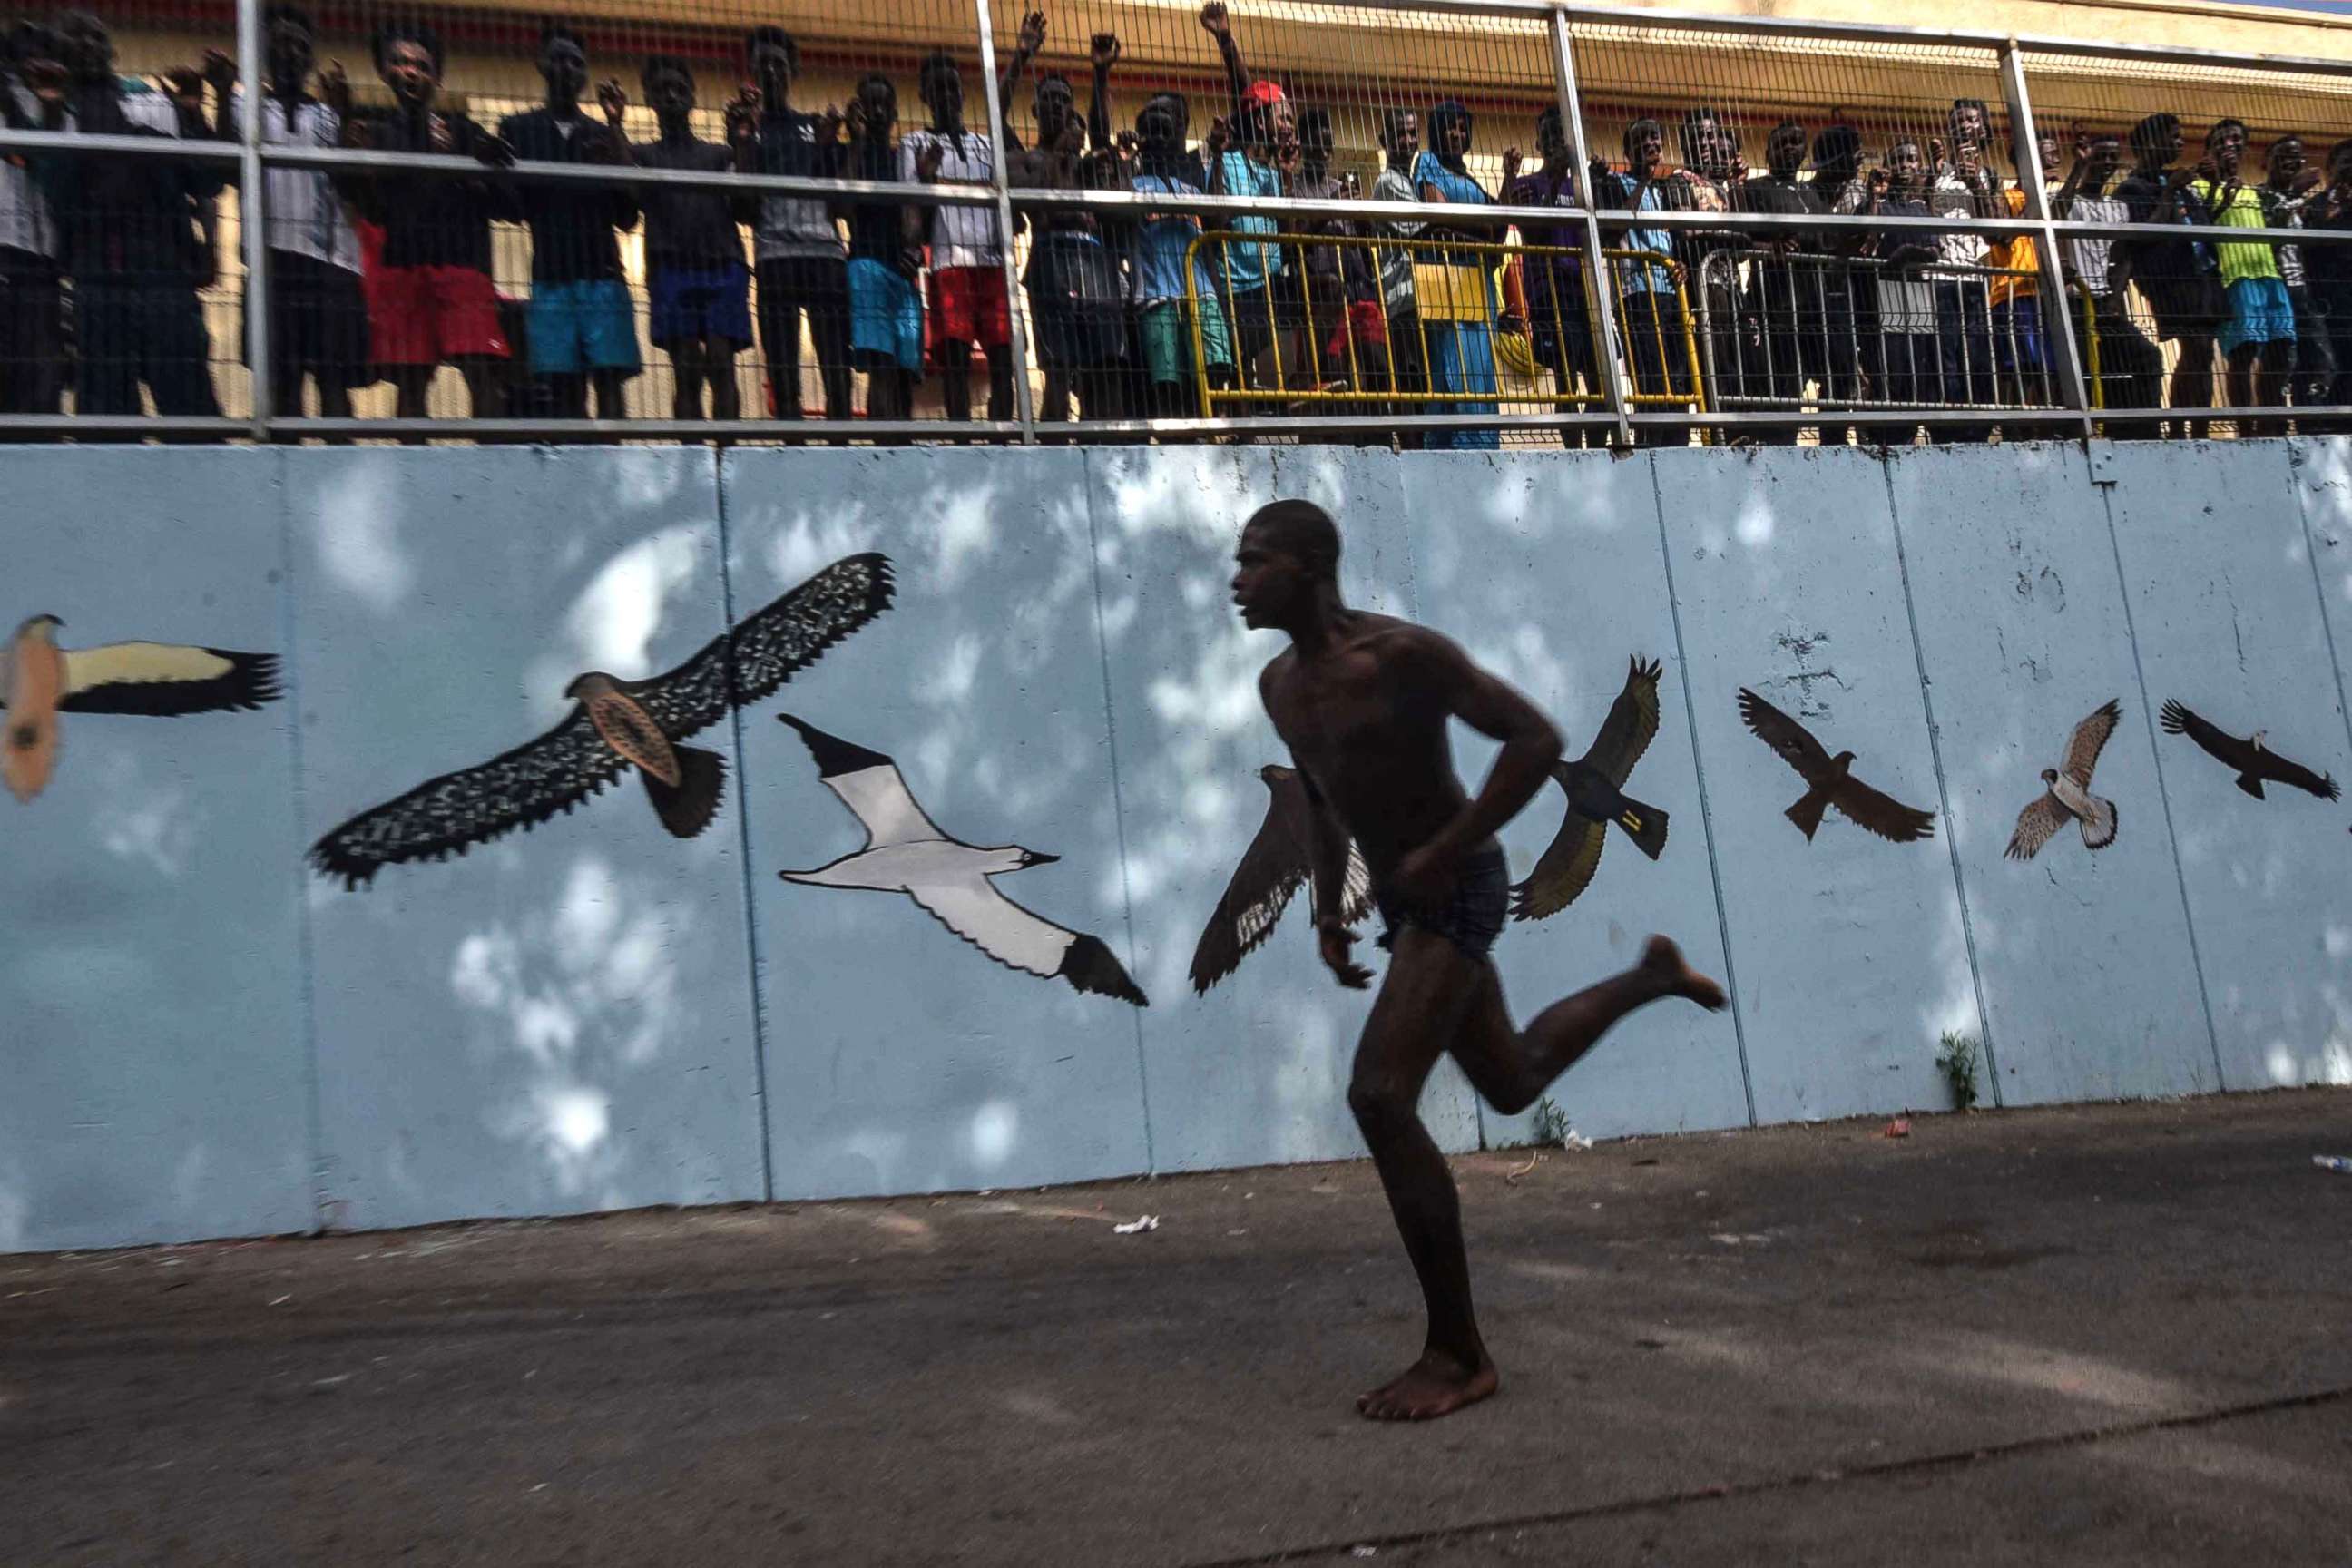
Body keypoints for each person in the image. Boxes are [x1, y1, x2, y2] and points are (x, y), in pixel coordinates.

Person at [1231, 497, 1726, 1422]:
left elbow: (1536, 740)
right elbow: (1323, 795)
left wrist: (1450, 844)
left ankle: (1458, 1354)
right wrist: (1330, 911)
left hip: (1458, 890)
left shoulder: (1402, 659)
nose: (1238, 580)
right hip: (1407, 902)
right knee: (1511, 1077)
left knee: (1380, 1094)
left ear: (1309, 565)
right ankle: (1652, 974)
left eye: (1255, 561)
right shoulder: (1280, 688)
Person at [26, 9, 224, 424]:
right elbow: (51, 191)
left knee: (189, 405)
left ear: (112, 49)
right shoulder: (52, 109)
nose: (87, 45)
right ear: (57, 52)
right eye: (74, 38)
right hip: (96, 275)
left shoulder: (152, 99)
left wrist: (192, 113)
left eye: (96, 36)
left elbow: (205, 179)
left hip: (164, 272)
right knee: (107, 409)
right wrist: (50, 113)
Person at [342, 19, 515, 425]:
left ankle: (491, 473)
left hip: (462, 268)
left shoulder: (465, 132)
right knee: (411, 380)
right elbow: (371, 211)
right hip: (404, 268)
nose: (411, 71)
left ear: (436, 76)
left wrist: (470, 167)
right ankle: (410, 478)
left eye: (420, 64)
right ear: (384, 71)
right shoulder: (378, 136)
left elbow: (509, 205)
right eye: (401, 62)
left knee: (481, 372)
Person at [213, 6, 375, 429]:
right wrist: (219, 96)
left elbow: (356, 189)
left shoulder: (329, 115)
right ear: (264, 53)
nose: (290, 53)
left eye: (300, 47)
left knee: (334, 381)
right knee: (284, 383)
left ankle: (342, 479)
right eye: (280, 45)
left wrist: (344, 117)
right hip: (273, 263)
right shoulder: (244, 109)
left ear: (310, 59)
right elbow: (223, 175)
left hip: (333, 264)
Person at [499, 26, 638, 422]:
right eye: (559, 58)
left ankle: (616, 468)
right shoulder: (518, 130)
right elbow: (511, 207)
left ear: (585, 74)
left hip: (604, 274)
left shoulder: (602, 134)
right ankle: (575, 472)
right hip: (551, 276)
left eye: (577, 62)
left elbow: (628, 215)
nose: (567, 68)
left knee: (610, 381)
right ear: (541, 64)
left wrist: (615, 138)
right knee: (562, 386)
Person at [613, 56, 753, 423]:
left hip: (723, 264)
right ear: (650, 100)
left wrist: (743, 139)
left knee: (722, 362)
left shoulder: (719, 154)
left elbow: (746, 207)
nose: (672, 96)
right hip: (671, 266)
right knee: (687, 367)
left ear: (692, 97)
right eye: (662, 91)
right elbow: (628, 199)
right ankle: (692, 456)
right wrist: (615, 125)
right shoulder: (643, 155)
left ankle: (729, 454)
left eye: (679, 89)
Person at [1006, 21, 1132, 423]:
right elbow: (998, 114)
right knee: (1057, 366)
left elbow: (1100, 132)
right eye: (1050, 98)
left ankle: (1105, 443)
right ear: (1035, 109)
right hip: (1051, 259)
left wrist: (1100, 71)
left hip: (1095, 263)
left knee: (1106, 365)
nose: (1058, 105)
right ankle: (1056, 443)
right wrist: (1023, 55)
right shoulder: (1027, 158)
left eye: (1064, 99)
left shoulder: (1085, 162)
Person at [737, 26, 850, 427]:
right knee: (783, 369)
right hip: (775, 255)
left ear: (794, 70)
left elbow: (840, 203)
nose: (771, 70)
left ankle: (841, 450)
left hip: (825, 255)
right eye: (762, 63)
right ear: (750, 70)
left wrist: (826, 149)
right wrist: (743, 139)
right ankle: (791, 447)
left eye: (779, 63)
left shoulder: (813, 125)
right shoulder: (746, 127)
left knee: (836, 363)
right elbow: (744, 209)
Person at [904, 48, 1014, 426]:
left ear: (963, 93)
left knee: (1004, 361)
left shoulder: (986, 144)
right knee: (955, 362)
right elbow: (913, 212)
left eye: (952, 87)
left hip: (995, 266)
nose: (947, 96)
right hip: (950, 264)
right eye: (937, 89)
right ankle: (963, 437)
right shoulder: (913, 143)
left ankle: (1004, 440)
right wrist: (927, 180)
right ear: (925, 96)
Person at [1197, 2, 1293, 403]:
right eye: (1281, 117)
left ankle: (1309, 385)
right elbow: (1214, 217)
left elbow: (1289, 238)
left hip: (1268, 284)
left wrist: (1288, 174)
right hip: (1236, 289)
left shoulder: (1274, 172)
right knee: (1240, 370)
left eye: (1290, 118)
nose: (1289, 126)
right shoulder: (1228, 158)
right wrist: (1226, 39)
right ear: (1258, 122)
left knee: (1326, 290)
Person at [1128, 89, 1235, 420]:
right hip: (1156, 296)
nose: (1160, 136)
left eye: (1167, 127)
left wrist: (1216, 156)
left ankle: (1210, 439)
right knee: (1167, 385)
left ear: (1180, 130)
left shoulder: (1194, 180)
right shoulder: (1132, 182)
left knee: (1212, 377)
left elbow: (1219, 218)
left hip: (1201, 294)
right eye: (1152, 129)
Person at [2113, 113, 2219, 438]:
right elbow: (2145, 233)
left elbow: (2200, 224)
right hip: (2169, 278)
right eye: (2172, 136)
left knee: (2204, 353)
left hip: (2201, 275)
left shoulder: (2176, 180)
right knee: (2196, 347)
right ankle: (2176, 430)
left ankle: (2199, 430)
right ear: (2149, 143)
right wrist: (2170, 191)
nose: (2180, 142)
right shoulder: (2132, 188)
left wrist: (2212, 188)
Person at [1591, 118, 1696, 440]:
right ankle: (1651, 445)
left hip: (1671, 293)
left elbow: (1675, 240)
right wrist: (1642, 182)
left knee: (1680, 378)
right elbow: (1613, 230)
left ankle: (1678, 444)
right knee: (1650, 376)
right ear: (1628, 150)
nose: (1651, 144)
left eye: (1655, 137)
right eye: (1642, 140)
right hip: (1636, 294)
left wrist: (1681, 265)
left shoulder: (1666, 191)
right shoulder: (1614, 185)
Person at [2051, 127, 2163, 423]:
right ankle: (2083, 429)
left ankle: (2143, 429)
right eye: (2102, 157)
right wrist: (2079, 167)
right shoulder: (2071, 200)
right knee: (2085, 372)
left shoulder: (2118, 208)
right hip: (2074, 302)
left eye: (2113, 157)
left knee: (2145, 357)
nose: (2108, 163)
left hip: (2104, 302)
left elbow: (2126, 254)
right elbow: (2055, 214)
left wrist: (2115, 294)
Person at [2189, 119, 2291, 434]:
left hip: (2270, 278)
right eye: (2221, 141)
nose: (2229, 145)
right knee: (2243, 353)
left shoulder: (2253, 191)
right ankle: (2246, 429)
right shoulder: (2200, 187)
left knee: (2280, 351)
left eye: (2235, 140)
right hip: (2234, 279)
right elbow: (2200, 235)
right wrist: (2219, 189)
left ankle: (2272, 425)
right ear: (2209, 150)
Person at [1413, 99, 1499, 450]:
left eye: (1463, 127)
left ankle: (1482, 444)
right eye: (1451, 126)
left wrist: (1506, 178)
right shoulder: (1428, 163)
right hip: (1448, 278)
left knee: (1481, 364)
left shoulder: (1471, 179)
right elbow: (1439, 214)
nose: (1458, 133)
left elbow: (1500, 229)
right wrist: (1480, 229)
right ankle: (1449, 446)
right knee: (1452, 363)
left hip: (1478, 282)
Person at [1503, 107, 1597, 428]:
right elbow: (1533, 236)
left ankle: (1598, 448)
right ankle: (1573, 452)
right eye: (1550, 136)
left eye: (1562, 135)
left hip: (1587, 288)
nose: (1557, 142)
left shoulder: (1585, 187)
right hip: (1549, 290)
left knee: (1598, 376)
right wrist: (1555, 185)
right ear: (1538, 145)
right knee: (1565, 376)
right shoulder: (1529, 184)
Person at [1293, 103, 1387, 418]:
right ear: (1304, 146)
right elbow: (1295, 238)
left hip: (1358, 288)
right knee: (1335, 372)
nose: (1324, 151)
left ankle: (1379, 430)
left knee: (1377, 366)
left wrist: (1361, 216)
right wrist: (1331, 208)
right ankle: (1347, 432)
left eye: (1327, 145)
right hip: (1323, 295)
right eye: (1317, 144)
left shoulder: (1340, 187)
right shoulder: (1294, 189)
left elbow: (1365, 242)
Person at [1735, 120, 1824, 443]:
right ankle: (1774, 442)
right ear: (1768, 153)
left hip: (1813, 302)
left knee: (1811, 379)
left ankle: (1799, 439)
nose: (1789, 148)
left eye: (1795, 142)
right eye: (1781, 144)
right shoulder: (1756, 189)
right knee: (1777, 379)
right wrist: (1770, 247)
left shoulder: (1812, 194)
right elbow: (1740, 239)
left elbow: (1827, 241)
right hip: (1773, 302)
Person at [842, 72, 922, 427]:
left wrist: (915, 251)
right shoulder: (853, 154)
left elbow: (915, 212)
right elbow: (842, 204)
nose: (877, 111)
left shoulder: (903, 157)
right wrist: (856, 140)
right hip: (867, 264)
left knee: (906, 369)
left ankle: (902, 447)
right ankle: (881, 447)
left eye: (883, 104)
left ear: (893, 112)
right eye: (869, 103)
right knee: (881, 365)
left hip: (903, 271)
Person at [0, 20, 66, 416]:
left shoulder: (53, 102)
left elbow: (40, 162)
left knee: (41, 366)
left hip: (42, 255)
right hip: (7, 242)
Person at [1929, 100, 2000, 440]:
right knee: (1948, 360)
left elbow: (1997, 232)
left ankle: (1981, 430)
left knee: (1980, 357)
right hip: (1940, 279)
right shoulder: (1935, 173)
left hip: (1975, 279)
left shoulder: (1989, 175)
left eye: (1971, 120)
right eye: (1956, 121)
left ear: (1984, 130)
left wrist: (1976, 186)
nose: (1963, 126)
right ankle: (1950, 433)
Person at [1864, 140, 1940, 446]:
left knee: (1916, 370)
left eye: (1911, 159)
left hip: (1918, 296)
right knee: (1887, 370)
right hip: (1883, 295)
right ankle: (1884, 437)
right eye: (1898, 159)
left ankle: (1909, 435)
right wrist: (1872, 197)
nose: (1905, 165)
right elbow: (1866, 243)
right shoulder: (1879, 206)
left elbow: (1935, 249)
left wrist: (1911, 253)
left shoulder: (1920, 209)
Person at [1985, 130, 2060, 414]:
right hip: (2014, 292)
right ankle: (2015, 431)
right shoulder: (2008, 196)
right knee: (2020, 368)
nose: (2055, 160)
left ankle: (2053, 428)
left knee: (2052, 369)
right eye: (2047, 155)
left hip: (2048, 295)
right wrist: (2037, 197)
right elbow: (2004, 235)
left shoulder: (2056, 197)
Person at [2259, 134, 2333, 421]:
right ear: (2267, 163)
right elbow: (2268, 231)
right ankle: (2275, 423)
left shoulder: (2306, 202)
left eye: (2297, 156)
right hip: (2276, 287)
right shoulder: (2258, 196)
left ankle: (2312, 421)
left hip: (2304, 287)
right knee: (2282, 361)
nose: (2293, 162)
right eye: (2284, 156)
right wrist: (2294, 196)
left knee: (2320, 359)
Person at [1811, 121, 1874, 440]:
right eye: (1853, 156)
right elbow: (1828, 244)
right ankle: (1832, 440)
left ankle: (1865, 437)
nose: (1858, 162)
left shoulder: (1856, 191)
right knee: (1835, 375)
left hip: (1855, 295)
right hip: (1820, 299)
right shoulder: (1810, 196)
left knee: (1861, 374)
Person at [1371, 108, 1427, 447]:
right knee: (1410, 379)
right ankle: (1410, 448)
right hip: (1402, 297)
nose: (1407, 141)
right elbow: (1423, 230)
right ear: (1385, 142)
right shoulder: (1388, 183)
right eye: (1400, 135)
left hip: (1423, 294)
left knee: (1421, 378)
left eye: (1411, 133)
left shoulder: (1413, 180)